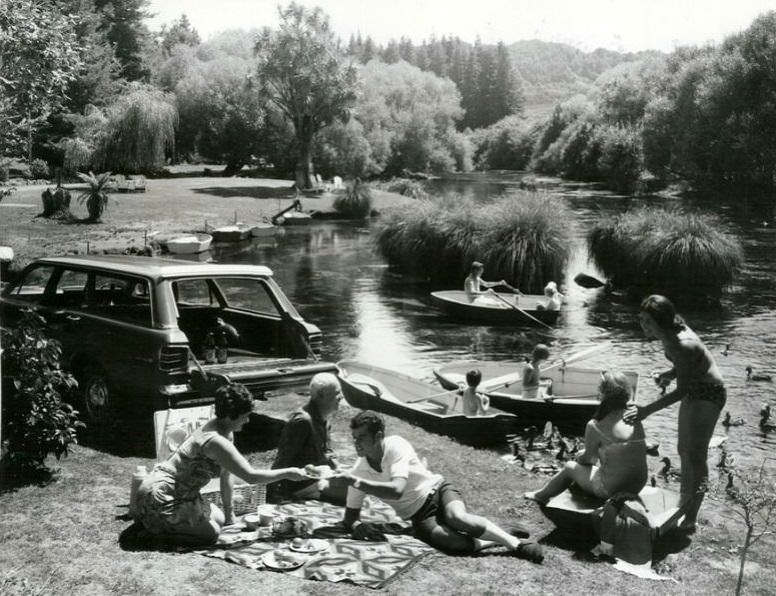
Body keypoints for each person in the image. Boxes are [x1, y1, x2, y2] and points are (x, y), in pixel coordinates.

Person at [334, 411, 544, 563]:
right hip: (420, 516)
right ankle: (498, 534)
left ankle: (515, 544)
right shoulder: (358, 471)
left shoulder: (395, 445)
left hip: (439, 489)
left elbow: (397, 489)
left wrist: (355, 482)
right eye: (354, 438)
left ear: (379, 436)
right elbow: (350, 518)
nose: (356, 444)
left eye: (362, 437)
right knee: (453, 544)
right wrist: (356, 526)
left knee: (457, 518)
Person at [134, 383, 307, 546]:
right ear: (230, 416)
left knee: (220, 519)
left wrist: (229, 511)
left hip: (182, 493)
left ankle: (157, 521)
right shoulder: (215, 441)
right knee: (212, 535)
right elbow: (251, 476)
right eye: (245, 416)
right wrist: (287, 472)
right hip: (161, 495)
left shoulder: (224, 430)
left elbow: (227, 474)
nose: (247, 421)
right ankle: (154, 532)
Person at [626, 294, 726, 533]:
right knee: (683, 451)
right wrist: (671, 373)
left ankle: (691, 517)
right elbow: (691, 365)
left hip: (709, 393)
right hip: (696, 387)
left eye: (648, 321)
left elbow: (681, 390)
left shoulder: (679, 343)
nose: (643, 325)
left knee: (696, 457)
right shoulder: (670, 331)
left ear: (661, 321)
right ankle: (683, 506)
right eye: (641, 319)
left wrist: (646, 411)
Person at [524, 371, 648, 504]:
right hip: (636, 487)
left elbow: (590, 459)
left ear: (601, 394)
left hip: (611, 489)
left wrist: (579, 456)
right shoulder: (635, 418)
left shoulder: (595, 425)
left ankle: (541, 495)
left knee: (570, 467)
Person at [270, 372, 347, 504]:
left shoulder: (323, 418)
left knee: (358, 482)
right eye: (336, 393)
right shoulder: (302, 421)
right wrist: (271, 491)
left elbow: (327, 451)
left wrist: (336, 465)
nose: (340, 397)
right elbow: (282, 459)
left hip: (319, 477)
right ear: (321, 396)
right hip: (301, 484)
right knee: (354, 493)